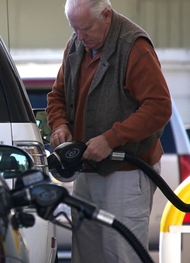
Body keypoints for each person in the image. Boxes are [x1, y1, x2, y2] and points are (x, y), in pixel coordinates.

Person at [46, 0, 172, 262]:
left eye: (86, 29)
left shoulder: (133, 47)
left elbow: (159, 107)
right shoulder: (76, 44)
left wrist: (111, 139)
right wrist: (59, 124)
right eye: (75, 28)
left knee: (122, 254)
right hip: (87, 170)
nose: (80, 36)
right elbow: (57, 95)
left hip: (125, 173)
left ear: (106, 15)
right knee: (87, 254)